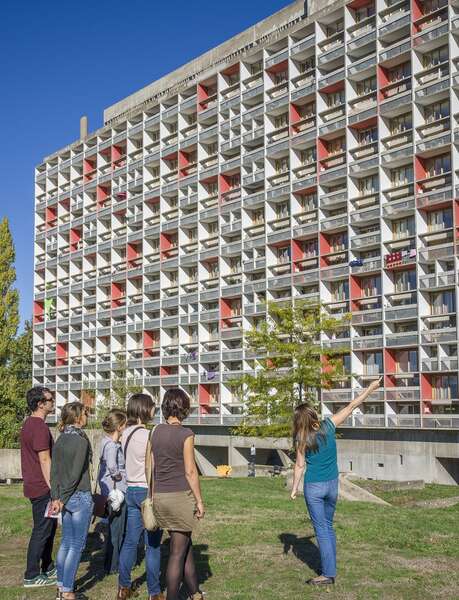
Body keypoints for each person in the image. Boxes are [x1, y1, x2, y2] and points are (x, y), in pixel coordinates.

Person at [290, 378, 382, 586]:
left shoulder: (301, 438)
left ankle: (328, 574)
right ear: (313, 415)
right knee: (328, 526)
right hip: (332, 485)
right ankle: (330, 565)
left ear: (299, 421)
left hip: (314, 487)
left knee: (321, 529)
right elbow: (352, 405)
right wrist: (370, 388)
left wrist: (294, 489)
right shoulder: (329, 426)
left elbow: (299, 466)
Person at [150, 388, 205, 600]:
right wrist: (199, 501)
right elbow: (191, 472)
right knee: (177, 553)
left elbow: (152, 467)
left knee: (184, 546)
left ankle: (195, 593)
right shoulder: (186, 434)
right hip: (180, 497)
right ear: (184, 408)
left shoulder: (155, 432)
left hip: (160, 497)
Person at [117, 394, 163, 600]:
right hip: (147, 490)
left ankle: (123, 587)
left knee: (130, 541)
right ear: (145, 409)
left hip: (131, 490)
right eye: (152, 407)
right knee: (152, 544)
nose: (155, 410)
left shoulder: (125, 433)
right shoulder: (148, 435)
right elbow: (153, 464)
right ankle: (154, 592)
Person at [50, 402, 93, 600]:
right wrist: (63, 498)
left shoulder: (60, 439)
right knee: (76, 545)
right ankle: (67, 591)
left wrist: (56, 497)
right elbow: (76, 474)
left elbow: (54, 472)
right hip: (78, 496)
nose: (87, 416)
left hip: (63, 497)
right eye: (85, 413)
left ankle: (61, 586)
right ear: (77, 417)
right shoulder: (81, 441)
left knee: (66, 543)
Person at [20, 386, 57, 588]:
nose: (53, 402)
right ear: (40, 404)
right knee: (42, 530)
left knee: (49, 528)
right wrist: (54, 488)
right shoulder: (39, 427)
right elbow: (44, 459)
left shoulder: (28, 424)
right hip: (42, 487)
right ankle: (31, 575)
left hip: (35, 485)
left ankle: (48, 566)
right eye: (50, 399)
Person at [98, 409, 128, 575]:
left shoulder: (105, 442)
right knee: (116, 528)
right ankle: (113, 564)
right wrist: (118, 476)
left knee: (114, 528)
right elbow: (111, 465)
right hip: (117, 490)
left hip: (111, 489)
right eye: (124, 425)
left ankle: (112, 562)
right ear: (119, 427)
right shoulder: (111, 445)